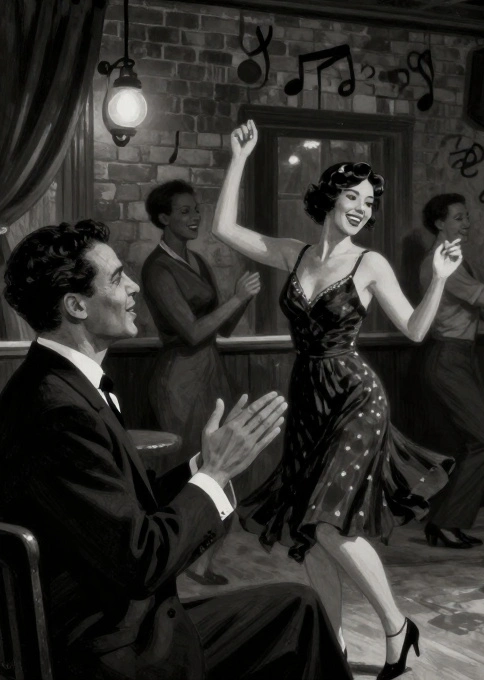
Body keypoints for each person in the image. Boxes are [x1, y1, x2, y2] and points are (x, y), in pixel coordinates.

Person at [0, 219, 348, 680]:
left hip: (122, 628)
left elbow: (119, 515)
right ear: (75, 306)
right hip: (111, 653)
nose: (134, 289)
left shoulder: (56, 385)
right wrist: (215, 476)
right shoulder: (58, 410)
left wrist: (201, 467)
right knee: (298, 613)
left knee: (297, 607)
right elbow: (141, 561)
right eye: (119, 278)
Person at [214, 120, 460, 680]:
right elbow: (225, 227)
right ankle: (336, 651)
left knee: (329, 523)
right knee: (310, 534)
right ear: (330, 197)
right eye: (354, 197)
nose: (363, 208)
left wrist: (440, 280)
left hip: (356, 396)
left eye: (370, 203)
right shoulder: (293, 254)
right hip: (308, 397)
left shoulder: (370, 263)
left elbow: (416, 330)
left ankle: (398, 629)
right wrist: (239, 157)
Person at [141, 179, 260, 587]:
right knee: (192, 465)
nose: (196, 218)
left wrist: (242, 299)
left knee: (222, 460)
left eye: (197, 210)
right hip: (179, 379)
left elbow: (221, 329)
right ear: (163, 218)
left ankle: (204, 561)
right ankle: (182, 559)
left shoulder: (198, 261)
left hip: (211, 374)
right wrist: (234, 298)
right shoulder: (156, 268)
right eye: (185, 211)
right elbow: (191, 332)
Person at [417, 193, 484, 549]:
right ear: (440, 224)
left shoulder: (456, 261)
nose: (467, 223)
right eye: (459, 218)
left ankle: (445, 523)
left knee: (476, 443)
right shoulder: (442, 263)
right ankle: (445, 522)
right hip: (448, 359)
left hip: (460, 359)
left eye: (467, 216)